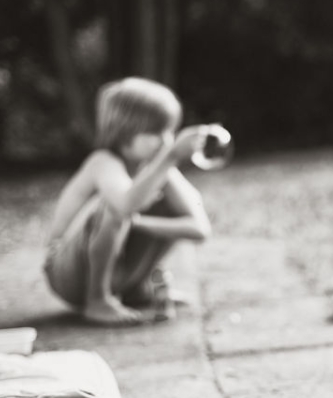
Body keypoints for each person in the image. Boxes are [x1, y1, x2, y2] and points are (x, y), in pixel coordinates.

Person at [44, 77, 212, 325]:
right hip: (67, 274)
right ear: (125, 132)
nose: (166, 141)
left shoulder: (155, 166)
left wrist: (140, 222)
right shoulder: (103, 162)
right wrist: (170, 158)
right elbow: (123, 207)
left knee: (161, 206)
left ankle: (135, 288)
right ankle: (97, 300)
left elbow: (199, 228)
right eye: (155, 133)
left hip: (120, 275)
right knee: (116, 207)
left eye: (169, 131)